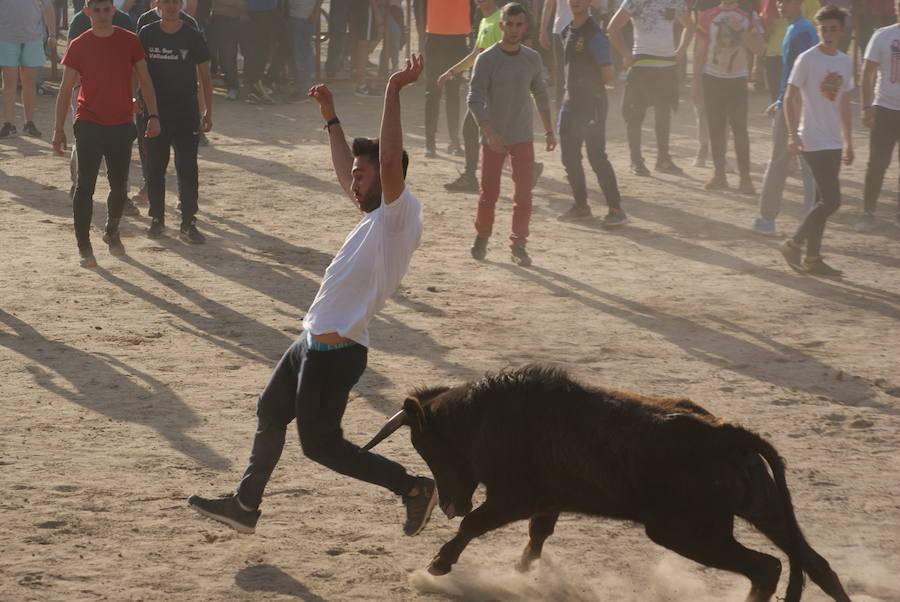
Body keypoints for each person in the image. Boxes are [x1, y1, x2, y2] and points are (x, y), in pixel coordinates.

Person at [187, 55, 439, 540]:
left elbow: (385, 161)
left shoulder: (398, 216)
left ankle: (412, 488)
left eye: (362, 176)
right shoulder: (372, 217)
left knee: (321, 446)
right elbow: (354, 167)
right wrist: (331, 119)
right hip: (310, 345)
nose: (353, 180)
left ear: (390, 182)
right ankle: (244, 504)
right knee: (270, 411)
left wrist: (393, 88)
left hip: (338, 351)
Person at [52, 0, 161, 268]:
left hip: (122, 121)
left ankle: (112, 230)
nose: (102, 15)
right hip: (88, 120)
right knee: (84, 186)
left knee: (119, 185)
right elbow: (66, 88)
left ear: (113, 11)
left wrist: (153, 115)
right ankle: (84, 246)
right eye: (96, 10)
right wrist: (58, 129)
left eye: (106, 9)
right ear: (87, 11)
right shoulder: (78, 44)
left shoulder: (130, 41)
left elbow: (145, 79)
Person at [468, 2, 555, 267]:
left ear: (525, 27)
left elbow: (540, 93)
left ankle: (519, 244)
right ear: (501, 24)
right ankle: (482, 237)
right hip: (494, 138)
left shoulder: (532, 58)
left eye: (519, 25)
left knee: (524, 196)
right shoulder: (486, 59)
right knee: (489, 194)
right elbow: (474, 100)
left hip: (522, 136)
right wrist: (490, 133)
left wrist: (549, 130)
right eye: (510, 24)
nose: (514, 30)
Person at [779, 5, 854, 276]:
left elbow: (845, 104)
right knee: (832, 202)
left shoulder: (845, 61)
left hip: (833, 139)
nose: (828, 33)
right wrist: (792, 134)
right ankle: (793, 242)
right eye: (823, 29)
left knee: (821, 202)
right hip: (811, 137)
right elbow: (790, 97)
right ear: (818, 29)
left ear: (842, 31)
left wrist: (849, 141)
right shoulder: (808, 59)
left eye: (833, 28)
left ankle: (812, 257)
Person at [139, 0, 212, 243]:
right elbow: (135, 70)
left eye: (175, 1)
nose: (171, 6)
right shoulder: (147, 33)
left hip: (185, 112)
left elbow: (205, 76)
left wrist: (208, 112)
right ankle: (157, 219)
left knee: (187, 167)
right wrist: (132, 97)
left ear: (181, 4)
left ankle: (188, 222)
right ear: (157, 3)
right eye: (166, 1)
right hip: (154, 112)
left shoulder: (193, 35)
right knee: (155, 167)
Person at [556, 0, 628, 225]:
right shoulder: (566, 30)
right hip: (570, 103)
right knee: (569, 156)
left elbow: (608, 76)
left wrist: (587, 89)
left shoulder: (595, 35)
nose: (576, 2)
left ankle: (616, 210)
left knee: (596, 156)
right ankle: (581, 205)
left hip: (592, 104)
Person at [752, 0, 816, 235]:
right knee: (805, 162)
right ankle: (809, 219)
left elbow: (801, 76)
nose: (781, 5)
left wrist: (787, 103)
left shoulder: (800, 31)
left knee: (780, 161)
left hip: (796, 104)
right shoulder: (798, 28)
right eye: (779, 1)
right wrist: (779, 100)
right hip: (795, 102)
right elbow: (793, 74)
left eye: (787, 1)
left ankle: (768, 217)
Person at [608, 0, 694, 176]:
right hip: (643, 63)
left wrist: (681, 51)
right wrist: (625, 55)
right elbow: (612, 27)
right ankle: (636, 161)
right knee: (635, 115)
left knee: (663, 114)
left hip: (665, 64)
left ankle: (662, 159)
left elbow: (690, 26)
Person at [694, 0, 765, 194]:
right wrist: (696, 85)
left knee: (739, 129)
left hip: (737, 80)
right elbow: (699, 51)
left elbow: (760, 49)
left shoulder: (747, 17)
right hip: (712, 78)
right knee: (716, 128)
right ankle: (719, 174)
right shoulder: (707, 16)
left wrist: (740, 31)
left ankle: (745, 177)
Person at [441, 0, 502, 193]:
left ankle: (470, 177)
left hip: (490, 89)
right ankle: (470, 176)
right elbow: (476, 54)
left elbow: (503, 55)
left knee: (473, 129)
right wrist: (452, 71)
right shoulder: (486, 21)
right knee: (489, 131)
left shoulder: (500, 20)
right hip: (484, 88)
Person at [855, 0, 900, 232]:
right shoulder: (882, 36)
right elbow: (867, 74)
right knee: (877, 163)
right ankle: (868, 211)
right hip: (884, 108)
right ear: (896, 8)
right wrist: (865, 107)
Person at [0, 0, 56, 138]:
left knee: (29, 83)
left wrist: (52, 34)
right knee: (9, 83)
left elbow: (48, 6)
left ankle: (29, 123)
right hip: (6, 38)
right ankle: (8, 124)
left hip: (32, 38)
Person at [423, 0, 471, 156]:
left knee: (453, 93)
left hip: (457, 37)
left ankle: (454, 142)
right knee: (432, 93)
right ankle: (430, 143)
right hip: (434, 35)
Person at [207, 0, 247, 101]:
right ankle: (229, 82)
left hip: (232, 19)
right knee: (218, 53)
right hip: (217, 18)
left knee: (228, 54)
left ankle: (233, 86)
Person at [287, 0, 323, 101]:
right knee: (297, 54)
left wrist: (316, 12)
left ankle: (304, 90)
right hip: (294, 16)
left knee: (301, 54)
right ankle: (300, 86)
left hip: (304, 17)